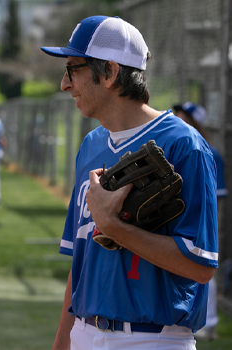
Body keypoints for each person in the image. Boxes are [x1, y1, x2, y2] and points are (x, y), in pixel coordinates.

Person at [40, 15, 218, 350]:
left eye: (73, 69)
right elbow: (81, 264)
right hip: (83, 330)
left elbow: (201, 265)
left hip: (152, 338)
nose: (65, 84)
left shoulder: (183, 145)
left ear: (109, 72)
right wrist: (62, 342)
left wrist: (114, 226)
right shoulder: (91, 146)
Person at [173, 102, 228, 341]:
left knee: (205, 267)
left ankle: (210, 322)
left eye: (185, 115)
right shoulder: (177, 144)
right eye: (178, 114)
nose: (178, 117)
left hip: (202, 218)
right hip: (181, 216)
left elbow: (216, 197)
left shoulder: (210, 152)